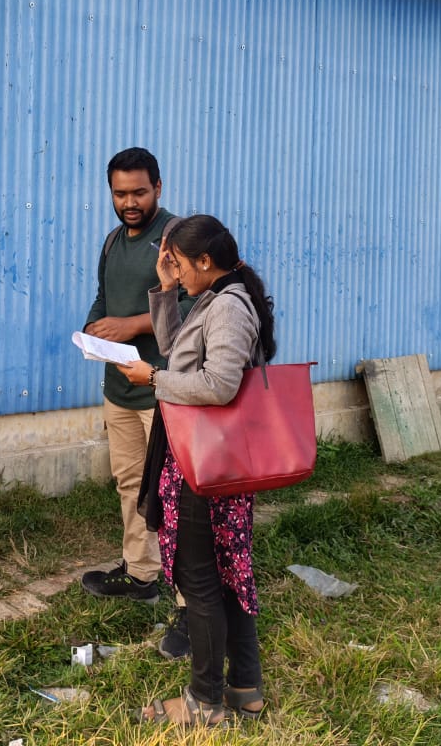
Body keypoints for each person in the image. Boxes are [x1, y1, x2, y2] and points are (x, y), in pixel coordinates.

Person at [122, 214, 276, 726]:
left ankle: (203, 703)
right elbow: (176, 350)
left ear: (206, 262)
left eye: (181, 265)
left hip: (207, 462)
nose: (178, 272)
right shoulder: (215, 299)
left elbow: (218, 385)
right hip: (203, 456)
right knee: (226, 577)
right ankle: (245, 690)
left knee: (201, 580)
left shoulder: (229, 307)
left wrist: (154, 380)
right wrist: (166, 291)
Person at [79, 147, 193, 659]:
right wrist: (93, 328)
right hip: (119, 388)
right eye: (120, 193)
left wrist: (131, 326)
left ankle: (193, 604)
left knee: (176, 495)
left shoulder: (177, 240)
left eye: (139, 192)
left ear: (159, 188)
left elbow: (194, 303)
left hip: (163, 387)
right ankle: (142, 574)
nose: (129, 202)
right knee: (130, 483)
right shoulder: (111, 242)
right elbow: (104, 300)